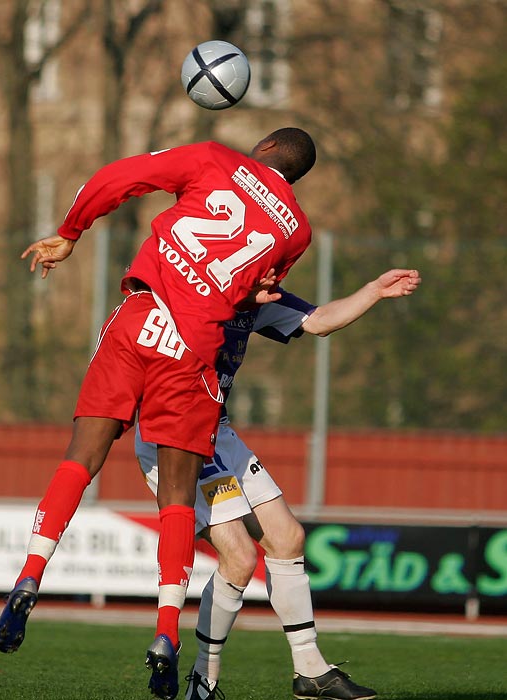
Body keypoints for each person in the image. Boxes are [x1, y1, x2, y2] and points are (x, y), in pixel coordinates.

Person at [0, 128, 318, 700]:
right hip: (193, 350)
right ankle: (166, 631)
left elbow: (115, 178)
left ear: (263, 148)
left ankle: (30, 574)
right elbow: (256, 293)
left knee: (81, 459)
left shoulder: (214, 158)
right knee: (177, 499)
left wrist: (71, 233)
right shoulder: (297, 230)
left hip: (140, 315)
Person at [136, 268, 421, 700]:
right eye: (267, 269)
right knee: (239, 556)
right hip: (174, 433)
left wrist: (373, 292)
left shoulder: (260, 305)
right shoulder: (199, 296)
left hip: (218, 429)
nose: (275, 277)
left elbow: (320, 320)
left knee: (288, 538)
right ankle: (202, 681)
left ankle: (310, 670)